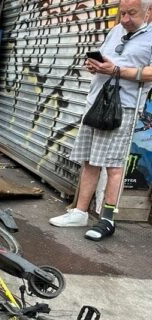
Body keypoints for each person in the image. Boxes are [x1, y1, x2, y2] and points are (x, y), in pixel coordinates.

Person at [49, 0, 152, 240]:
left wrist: (117, 71)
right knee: (90, 160)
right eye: (122, 13)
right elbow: (106, 59)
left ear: (148, 11)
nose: (125, 19)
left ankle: (107, 219)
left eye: (132, 14)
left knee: (114, 165)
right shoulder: (116, 31)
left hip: (123, 107)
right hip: (97, 101)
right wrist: (95, 65)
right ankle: (80, 212)